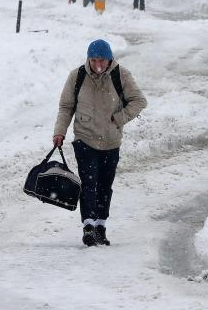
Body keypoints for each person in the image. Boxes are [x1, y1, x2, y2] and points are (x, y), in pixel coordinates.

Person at [52, 40, 147, 247]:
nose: (97, 65)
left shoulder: (121, 75)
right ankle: (88, 226)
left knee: (105, 185)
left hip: (111, 141)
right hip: (84, 138)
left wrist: (118, 118)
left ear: (109, 59)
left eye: (101, 60)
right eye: (93, 60)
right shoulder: (76, 76)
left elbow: (139, 101)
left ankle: (101, 226)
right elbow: (66, 107)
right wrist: (60, 132)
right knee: (89, 183)